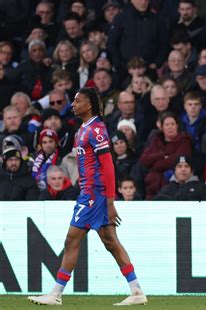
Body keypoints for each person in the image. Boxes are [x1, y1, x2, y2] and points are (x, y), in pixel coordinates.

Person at [28, 87, 147, 306]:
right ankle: (136, 289)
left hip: (95, 195)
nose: (73, 104)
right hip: (89, 193)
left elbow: (108, 165)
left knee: (71, 239)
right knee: (110, 242)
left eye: (77, 100)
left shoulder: (97, 129)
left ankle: (55, 294)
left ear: (89, 104)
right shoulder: (81, 130)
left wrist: (110, 201)